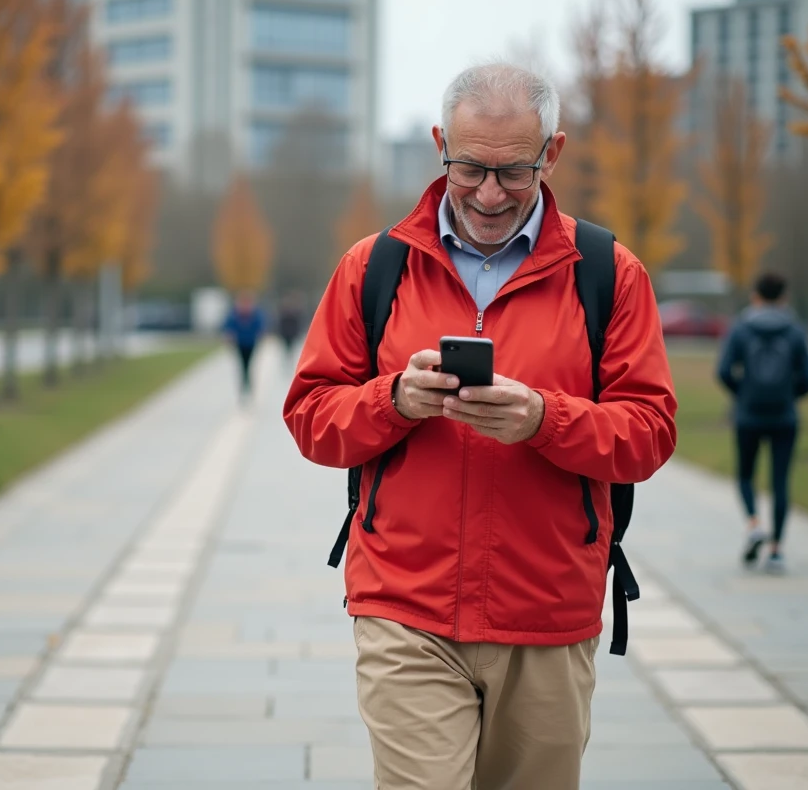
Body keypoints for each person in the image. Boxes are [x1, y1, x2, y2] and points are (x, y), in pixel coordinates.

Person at [282, 61, 678, 790]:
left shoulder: (609, 273)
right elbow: (310, 415)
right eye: (469, 168)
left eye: (514, 171)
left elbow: (649, 432)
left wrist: (544, 419)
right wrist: (394, 400)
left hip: (548, 612)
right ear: (440, 143)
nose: (489, 194)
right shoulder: (374, 269)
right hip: (405, 607)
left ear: (552, 153)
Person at [718, 272, 808, 575]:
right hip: (785, 416)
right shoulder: (795, 330)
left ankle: (754, 524)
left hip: (748, 415)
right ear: (784, 298)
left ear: (755, 296)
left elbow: (723, 371)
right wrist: (789, 395)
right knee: (780, 482)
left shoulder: (741, 328)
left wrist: (743, 394)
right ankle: (776, 550)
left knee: (746, 476)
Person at [223, 290, 264, 401]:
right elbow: (228, 327)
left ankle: (248, 385)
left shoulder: (255, 313)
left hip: (251, 343)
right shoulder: (235, 314)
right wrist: (230, 337)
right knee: (242, 365)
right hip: (240, 343)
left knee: (249, 365)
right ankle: (244, 386)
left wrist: (260, 335)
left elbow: (260, 326)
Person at [277, 293, 303, 362]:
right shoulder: (284, 315)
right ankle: (287, 357)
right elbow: (281, 325)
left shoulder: (294, 315)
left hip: (291, 334)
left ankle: (289, 357)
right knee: (286, 346)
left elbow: (297, 325)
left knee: (291, 347)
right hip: (286, 334)